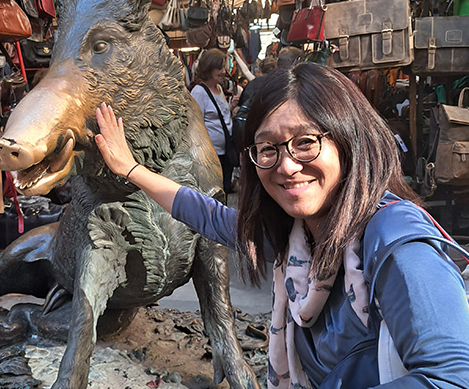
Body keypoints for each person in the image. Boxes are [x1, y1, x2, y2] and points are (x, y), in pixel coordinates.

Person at [94, 62, 469, 388]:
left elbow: (452, 378)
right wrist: (130, 168)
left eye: (305, 142)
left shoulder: (396, 243)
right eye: (269, 148)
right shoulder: (296, 242)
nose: (287, 166)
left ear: (349, 142)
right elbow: (205, 214)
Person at [190, 48, 237, 193]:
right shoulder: (199, 92)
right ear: (209, 68)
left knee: (225, 188)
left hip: (225, 152)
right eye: (220, 67)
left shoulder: (219, 89)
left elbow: (218, 116)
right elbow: (194, 124)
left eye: (224, 67)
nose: (224, 71)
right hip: (211, 156)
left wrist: (231, 108)